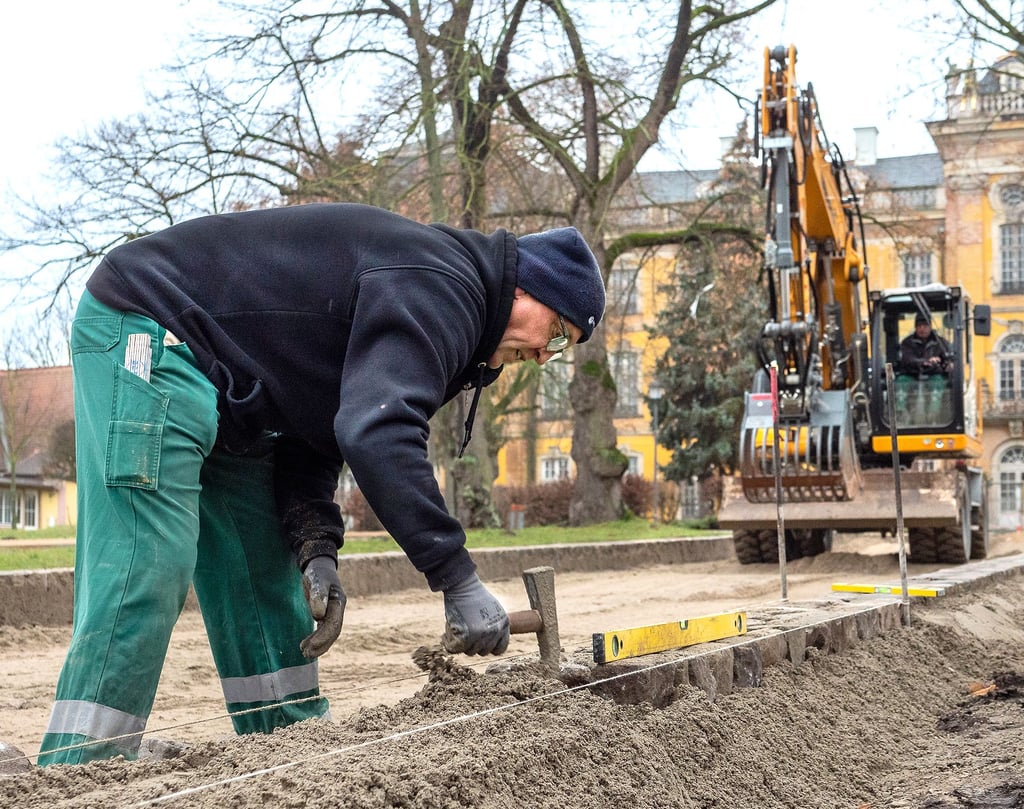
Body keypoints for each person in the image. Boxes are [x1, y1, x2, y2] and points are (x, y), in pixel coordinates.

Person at [38, 203, 605, 765]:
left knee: (264, 572)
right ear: (527, 289)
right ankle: (78, 768)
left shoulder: (460, 325)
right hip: (149, 324)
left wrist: (316, 547)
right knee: (149, 557)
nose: (541, 355)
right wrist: (456, 579)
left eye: (559, 350)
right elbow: (377, 433)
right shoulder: (443, 288)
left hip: (236, 391)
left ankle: (290, 756)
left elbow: (322, 426)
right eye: (556, 333)